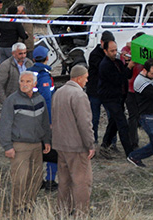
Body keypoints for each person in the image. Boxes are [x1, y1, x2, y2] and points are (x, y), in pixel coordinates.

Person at [0, 71, 52, 211]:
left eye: (28, 81)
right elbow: (5, 124)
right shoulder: (12, 100)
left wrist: (46, 140)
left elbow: (45, 122)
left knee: (36, 177)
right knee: (20, 178)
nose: (24, 84)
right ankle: (18, 207)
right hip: (20, 146)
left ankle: (30, 203)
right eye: (22, 81)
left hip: (37, 145)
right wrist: (7, 146)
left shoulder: (40, 99)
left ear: (34, 84)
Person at [51, 65, 95, 218]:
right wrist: (90, 144)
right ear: (78, 78)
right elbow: (84, 123)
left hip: (60, 144)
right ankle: (82, 213)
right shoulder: (79, 95)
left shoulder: (59, 92)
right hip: (76, 146)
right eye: (86, 78)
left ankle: (62, 211)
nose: (86, 81)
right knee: (82, 181)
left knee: (64, 181)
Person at [27, 46, 58, 192]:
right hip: (42, 119)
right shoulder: (44, 75)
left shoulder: (29, 72)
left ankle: (35, 180)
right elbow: (47, 100)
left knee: (34, 151)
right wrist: (50, 121)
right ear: (46, 58)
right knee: (50, 150)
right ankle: (50, 180)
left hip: (30, 117)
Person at [98, 40, 135, 159]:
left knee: (114, 122)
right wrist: (128, 67)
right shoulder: (105, 65)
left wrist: (127, 65)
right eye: (112, 51)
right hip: (110, 98)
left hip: (118, 97)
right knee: (122, 123)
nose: (115, 53)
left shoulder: (117, 62)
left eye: (115, 50)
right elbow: (118, 80)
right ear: (105, 51)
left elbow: (127, 76)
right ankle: (130, 153)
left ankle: (105, 144)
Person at [86, 30, 115, 144]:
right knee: (94, 119)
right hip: (95, 91)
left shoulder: (109, 54)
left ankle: (111, 142)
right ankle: (94, 142)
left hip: (107, 92)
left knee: (112, 118)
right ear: (102, 42)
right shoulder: (95, 54)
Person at [122, 32, 146, 149]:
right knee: (133, 116)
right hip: (131, 90)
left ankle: (133, 140)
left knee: (137, 116)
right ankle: (133, 142)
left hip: (141, 90)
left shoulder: (145, 55)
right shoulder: (129, 55)